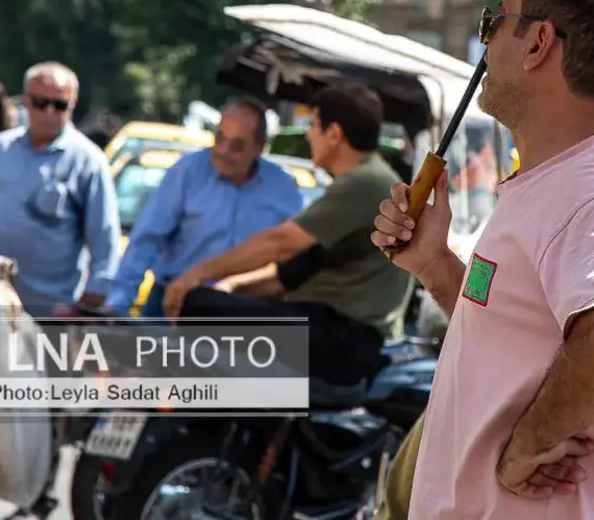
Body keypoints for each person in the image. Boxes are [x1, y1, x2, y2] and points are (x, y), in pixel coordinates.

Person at [371, 0, 594, 518]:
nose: (484, 41)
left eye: (495, 22)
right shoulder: (563, 179)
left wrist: (526, 447)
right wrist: (434, 265)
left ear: (538, 43)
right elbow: (514, 335)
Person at [0, 61, 120, 520]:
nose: (49, 112)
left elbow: (104, 234)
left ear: (72, 106)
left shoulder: (86, 161)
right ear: (26, 102)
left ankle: (38, 496)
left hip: (47, 310)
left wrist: (97, 291)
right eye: (40, 102)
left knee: (41, 411)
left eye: (59, 104)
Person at [161, 82, 411, 383]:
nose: (307, 135)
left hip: (343, 340)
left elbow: (280, 242)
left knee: (198, 305)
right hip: (333, 330)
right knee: (209, 303)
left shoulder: (363, 183)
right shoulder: (364, 181)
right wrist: (231, 287)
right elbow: (289, 273)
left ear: (334, 134)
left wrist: (197, 275)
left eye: (312, 126)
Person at [105, 98, 304, 317]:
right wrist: (118, 303)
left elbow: (295, 252)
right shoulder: (187, 173)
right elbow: (147, 239)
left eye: (237, 146)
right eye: (219, 139)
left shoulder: (283, 189)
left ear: (260, 147)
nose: (223, 151)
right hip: (175, 303)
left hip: (245, 309)